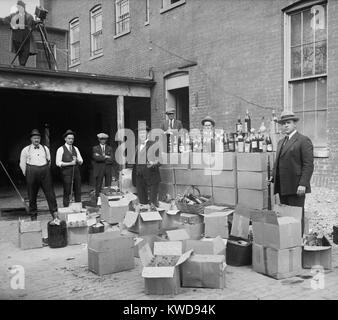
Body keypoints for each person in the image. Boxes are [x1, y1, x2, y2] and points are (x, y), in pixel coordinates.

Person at [270, 110, 314, 235]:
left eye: (288, 122)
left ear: (295, 124)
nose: (285, 125)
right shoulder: (280, 142)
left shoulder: (303, 140)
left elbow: (308, 164)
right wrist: (273, 177)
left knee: (296, 216)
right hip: (283, 187)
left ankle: (298, 243)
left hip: (296, 187)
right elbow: (278, 162)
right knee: (286, 217)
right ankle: (288, 242)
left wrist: (303, 184)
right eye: (283, 123)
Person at [19, 129, 57, 220]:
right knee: (32, 195)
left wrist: (46, 170)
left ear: (40, 139)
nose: (36, 140)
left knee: (50, 194)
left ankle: (54, 214)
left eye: (38, 138)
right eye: (35, 138)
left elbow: (49, 161)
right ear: (31, 139)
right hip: (31, 173)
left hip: (44, 172)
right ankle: (33, 216)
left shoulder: (45, 148)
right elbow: (22, 163)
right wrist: (27, 174)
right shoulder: (26, 149)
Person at [132, 125, 161, 207]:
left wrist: (154, 163)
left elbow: (160, 160)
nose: (142, 135)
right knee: (142, 202)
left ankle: (154, 218)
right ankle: (144, 218)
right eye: (140, 133)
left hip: (151, 177)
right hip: (139, 178)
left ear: (147, 134)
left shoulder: (154, 144)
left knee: (152, 203)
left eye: (143, 133)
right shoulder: (137, 147)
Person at [0, 1, 36, 66]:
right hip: (17, 38)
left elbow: (32, 25)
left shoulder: (29, 16)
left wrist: (34, 24)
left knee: (25, 53)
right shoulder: (14, 15)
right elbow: (5, 20)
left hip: (26, 37)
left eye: (22, 6)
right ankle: (21, 66)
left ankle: (22, 66)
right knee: (20, 52)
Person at [56, 129, 83, 207]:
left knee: (78, 190)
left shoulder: (76, 149)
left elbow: (81, 161)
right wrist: (70, 163)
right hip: (66, 173)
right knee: (67, 191)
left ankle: (78, 208)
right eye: (69, 138)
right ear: (65, 139)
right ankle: (66, 208)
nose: (71, 140)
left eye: (72, 139)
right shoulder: (61, 149)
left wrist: (77, 160)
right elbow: (58, 163)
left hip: (76, 173)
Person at [92, 133, 116, 199]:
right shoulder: (95, 148)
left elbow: (111, 159)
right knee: (98, 184)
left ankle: (107, 198)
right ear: (99, 139)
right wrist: (105, 157)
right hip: (99, 168)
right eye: (101, 139)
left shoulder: (109, 148)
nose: (103, 140)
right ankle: (98, 198)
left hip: (108, 168)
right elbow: (96, 158)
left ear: (106, 140)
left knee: (108, 184)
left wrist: (101, 157)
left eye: (104, 139)